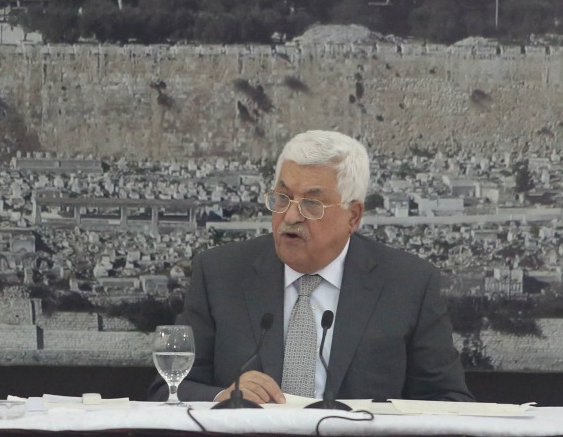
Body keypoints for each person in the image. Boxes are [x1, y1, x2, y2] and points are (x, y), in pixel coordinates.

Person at [149, 130, 472, 403]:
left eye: (311, 204)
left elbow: (449, 402)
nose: (291, 216)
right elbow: (167, 389)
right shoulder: (220, 273)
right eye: (282, 198)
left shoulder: (408, 284)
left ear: (353, 216)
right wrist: (224, 399)